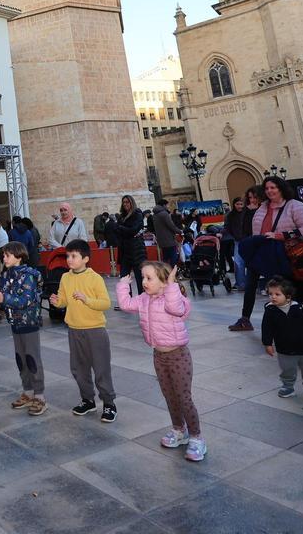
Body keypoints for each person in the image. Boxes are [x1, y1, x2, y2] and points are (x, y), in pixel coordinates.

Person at [229, 177, 303, 348]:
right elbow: (258, 236)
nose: (270, 191)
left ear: (281, 188)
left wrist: (281, 235)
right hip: (275, 264)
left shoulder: (295, 206)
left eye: (274, 187)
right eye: (267, 188)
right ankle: (300, 340)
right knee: (286, 306)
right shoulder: (261, 210)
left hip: (297, 262)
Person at [116, 260, 205, 461]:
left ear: (164, 282)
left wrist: (172, 285)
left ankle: (197, 437)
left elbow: (177, 309)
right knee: (169, 396)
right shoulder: (144, 299)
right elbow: (125, 305)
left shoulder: (172, 298)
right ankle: (179, 430)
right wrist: (123, 286)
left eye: (149, 278)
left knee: (183, 397)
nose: (144, 282)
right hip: (159, 355)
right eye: (143, 277)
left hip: (178, 355)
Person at [49, 240, 116, 423]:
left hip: (95, 330)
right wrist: (57, 302)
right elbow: (63, 300)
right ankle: (88, 400)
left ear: (85, 259)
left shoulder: (95, 278)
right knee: (79, 369)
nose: (69, 260)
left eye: (74, 256)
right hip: (74, 330)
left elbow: (105, 303)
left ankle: (109, 403)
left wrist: (87, 300)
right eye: (68, 256)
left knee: (101, 368)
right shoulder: (65, 278)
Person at [0, 242, 46, 416]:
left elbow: (24, 300)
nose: (4, 258)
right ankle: (28, 391)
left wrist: (3, 298)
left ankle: (39, 396)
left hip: (28, 324)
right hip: (15, 324)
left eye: (7, 255)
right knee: (21, 359)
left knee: (32, 359)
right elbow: (5, 297)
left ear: (19, 256)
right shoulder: (7, 274)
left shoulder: (29, 276)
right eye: (4, 255)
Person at [261, 276, 303, 404]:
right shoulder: (270, 310)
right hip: (285, 349)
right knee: (287, 370)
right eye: (270, 294)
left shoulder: (298, 309)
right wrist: (267, 343)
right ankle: (288, 387)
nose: (273, 297)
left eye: (277, 294)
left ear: (288, 296)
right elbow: (266, 328)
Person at [108, 195, 148, 289]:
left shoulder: (137, 214)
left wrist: (121, 228)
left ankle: (141, 301)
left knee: (140, 279)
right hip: (124, 251)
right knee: (124, 279)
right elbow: (116, 230)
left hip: (136, 250)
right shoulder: (122, 216)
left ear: (131, 203)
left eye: (127, 202)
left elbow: (133, 230)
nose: (125, 204)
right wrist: (125, 231)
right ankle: (126, 301)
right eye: (124, 202)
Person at [223, 196, 251, 290]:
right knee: (238, 262)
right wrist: (233, 235)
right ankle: (241, 283)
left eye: (241, 204)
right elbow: (227, 227)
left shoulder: (247, 213)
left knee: (251, 261)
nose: (239, 206)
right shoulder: (230, 215)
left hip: (249, 240)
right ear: (234, 205)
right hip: (238, 241)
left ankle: (252, 282)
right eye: (237, 204)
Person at [152, 201, 183, 266]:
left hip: (161, 240)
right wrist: (180, 231)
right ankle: (173, 272)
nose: (168, 206)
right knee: (173, 257)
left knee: (165, 258)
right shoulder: (164, 214)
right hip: (169, 239)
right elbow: (171, 226)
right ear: (163, 205)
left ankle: (165, 272)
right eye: (167, 205)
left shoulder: (155, 215)